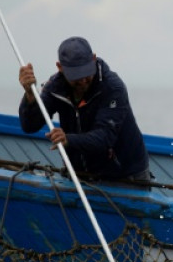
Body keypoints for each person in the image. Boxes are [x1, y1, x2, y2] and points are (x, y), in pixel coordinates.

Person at [18, 36, 151, 183]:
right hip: (79, 175)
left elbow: (105, 137)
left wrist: (68, 139)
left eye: (86, 73)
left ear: (93, 59)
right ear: (60, 67)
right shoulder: (55, 87)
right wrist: (30, 95)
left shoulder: (113, 87)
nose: (82, 80)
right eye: (76, 75)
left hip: (125, 176)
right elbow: (30, 126)